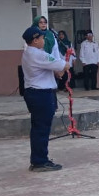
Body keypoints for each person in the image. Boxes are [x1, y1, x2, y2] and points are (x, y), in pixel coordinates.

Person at [20, 26, 70, 172]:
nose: (44, 40)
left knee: (38, 128)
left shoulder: (29, 53)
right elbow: (63, 64)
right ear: (35, 40)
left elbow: (49, 68)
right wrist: (65, 64)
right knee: (42, 129)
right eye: (41, 38)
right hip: (41, 95)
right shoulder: (37, 54)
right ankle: (40, 161)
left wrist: (57, 71)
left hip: (34, 93)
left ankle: (38, 159)